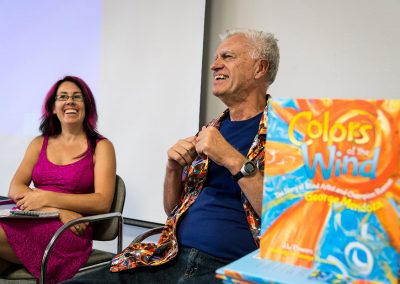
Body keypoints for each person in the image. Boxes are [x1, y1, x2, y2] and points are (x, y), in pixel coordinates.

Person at [64, 28, 280, 283]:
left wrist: (232, 159)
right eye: (216, 57)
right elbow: (173, 210)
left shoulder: (287, 134)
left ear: (259, 68)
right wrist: (173, 169)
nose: (214, 65)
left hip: (230, 271)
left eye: (228, 57)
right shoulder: (211, 131)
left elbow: (285, 216)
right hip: (169, 258)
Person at [0, 76, 116, 282]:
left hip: (70, 229)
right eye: (62, 97)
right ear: (53, 107)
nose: (69, 101)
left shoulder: (101, 146)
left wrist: (45, 198)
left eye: (77, 97)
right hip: (36, 216)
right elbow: (15, 188)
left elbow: (103, 202)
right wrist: (55, 209)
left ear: (87, 106)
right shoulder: (39, 143)